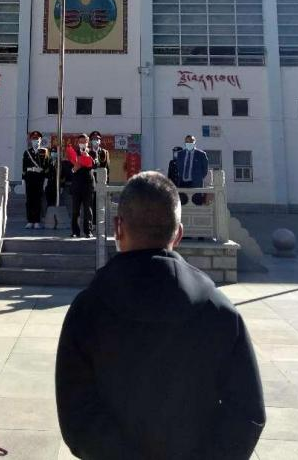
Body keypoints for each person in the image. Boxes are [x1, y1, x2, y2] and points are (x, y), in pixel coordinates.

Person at [56, 171, 265, 460]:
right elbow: (247, 413)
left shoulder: (87, 310)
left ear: (118, 228)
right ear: (178, 233)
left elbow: (77, 416)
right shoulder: (219, 311)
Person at [167, 135, 209, 205]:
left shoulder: (201, 154)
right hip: (182, 183)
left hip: (195, 184)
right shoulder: (180, 154)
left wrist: (198, 178)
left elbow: (205, 170)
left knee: (196, 204)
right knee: (183, 204)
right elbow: (178, 168)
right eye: (187, 142)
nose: (189, 144)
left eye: (191, 142)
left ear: (194, 142)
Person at [21, 131, 50, 229]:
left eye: (37, 139)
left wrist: (46, 179)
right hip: (29, 177)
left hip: (39, 178)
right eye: (34, 139)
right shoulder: (27, 152)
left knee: (38, 200)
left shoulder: (44, 152)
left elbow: (47, 167)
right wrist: (23, 180)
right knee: (29, 200)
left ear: (40, 140)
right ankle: (30, 220)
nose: (35, 141)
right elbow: (24, 167)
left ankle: (37, 221)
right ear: (31, 140)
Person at [69, 134, 95, 238]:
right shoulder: (74, 153)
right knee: (75, 210)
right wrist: (73, 169)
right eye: (81, 142)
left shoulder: (92, 152)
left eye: (84, 142)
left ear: (88, 142)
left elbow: (96, 164)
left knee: (88, 209)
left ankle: (88, 231)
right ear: (78, 143)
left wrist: (88, 157)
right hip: (77, 185)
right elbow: (67, 169)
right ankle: (75, 231)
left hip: (88, 185)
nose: (82, 143)